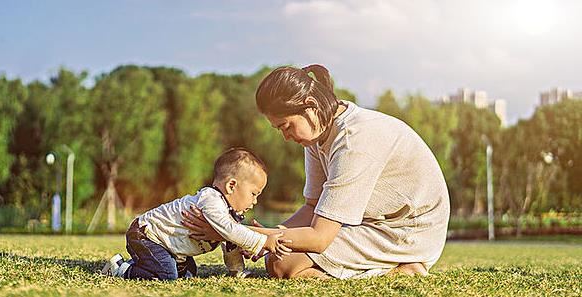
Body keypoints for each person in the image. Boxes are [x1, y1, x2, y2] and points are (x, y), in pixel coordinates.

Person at [184, 64, 450, 279]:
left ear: (310, 106)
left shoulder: (353, 141)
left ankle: (400, 269)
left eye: (286, 126)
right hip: (377, 223)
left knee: (282, 264)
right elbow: (313, 206)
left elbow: (319, 237)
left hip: (407, 231)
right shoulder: (318, 135)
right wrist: (264, 234)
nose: (285, 137)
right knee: (277, 258)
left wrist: (236, 232)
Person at [102, 148, 291, 280]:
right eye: (253, 194)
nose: (255, 201)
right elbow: (230, 231)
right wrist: (263, 241)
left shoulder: (227, 212)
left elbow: (230, 243)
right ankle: (121, 268)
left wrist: (237, 271)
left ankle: (145, 262)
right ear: (231, 185)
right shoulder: (211, 200)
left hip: (170, 247)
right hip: (147, 235)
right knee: (166, 275)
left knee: (189, 273)